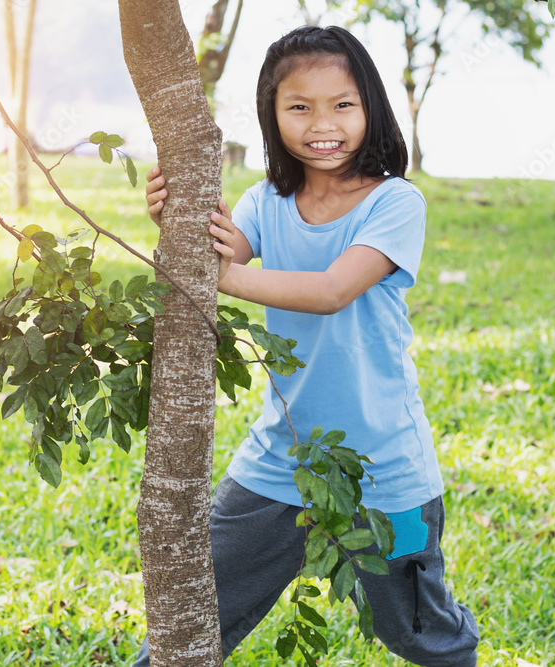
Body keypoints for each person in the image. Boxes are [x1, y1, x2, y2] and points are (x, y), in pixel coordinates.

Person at [134, 24, 478, 667]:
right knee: (196, 608)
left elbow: (329, 291)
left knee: (416, 630)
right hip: (278, 459)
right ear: (272, 116)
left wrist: (223, 278)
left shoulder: (395, 203)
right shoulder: (266, 200)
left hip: (386, 472)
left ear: (371, 107)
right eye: (299, 106)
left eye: (342, 104)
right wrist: (175, 218)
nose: (323, 123)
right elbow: (217, 250)